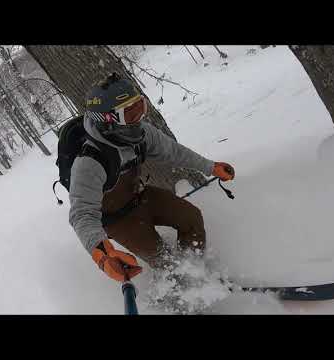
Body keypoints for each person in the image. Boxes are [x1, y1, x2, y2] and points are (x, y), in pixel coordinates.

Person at [69, 73, 235, 283]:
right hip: (117, 219)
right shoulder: (89, 162)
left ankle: (195, 273)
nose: (139, 119)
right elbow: (81, 214)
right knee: (164, 261)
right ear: (107, 120)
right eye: (129, 114)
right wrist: (101, 253)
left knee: (191, 219)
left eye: (140, 107)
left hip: (141, 197)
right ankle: (177, 294)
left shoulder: (141, 133)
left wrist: (211, 167)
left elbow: (173, 151)